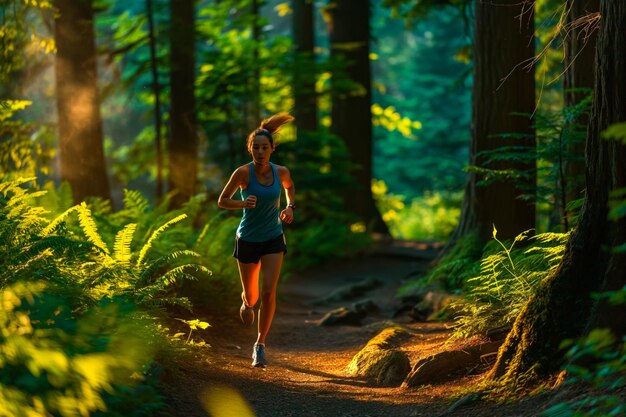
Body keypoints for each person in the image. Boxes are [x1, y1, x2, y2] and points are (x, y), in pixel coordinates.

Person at [217, 112, 296, 368]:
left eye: (265, 147)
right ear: (250, 149)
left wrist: (290, 207)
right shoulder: (242, 173)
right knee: (252, 298)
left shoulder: (281, 171)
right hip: (248, 239)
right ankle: (245, 302)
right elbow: (221, 200)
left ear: (272, 149)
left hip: (273, 237)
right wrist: (242, 202)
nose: (260, 152)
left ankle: (260, 344)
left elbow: (289, 187)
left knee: (269, 291)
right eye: (256, 148)